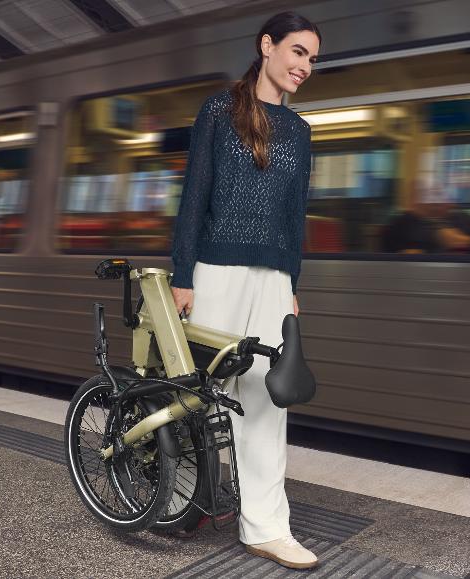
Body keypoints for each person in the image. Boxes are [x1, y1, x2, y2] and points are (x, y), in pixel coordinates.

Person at [168, 11, 321, 571]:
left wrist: (292, 286)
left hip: (273, 279)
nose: (305, 66)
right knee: (199, 392)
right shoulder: (219, 110)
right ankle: (180, 494)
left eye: (312, 58)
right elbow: (195, 195)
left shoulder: (301, 133)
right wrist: (183, 275)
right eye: (298, 52)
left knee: (263, 402)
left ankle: (266, 527)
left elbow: (294, 215)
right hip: (215, 270)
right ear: (267, 46)